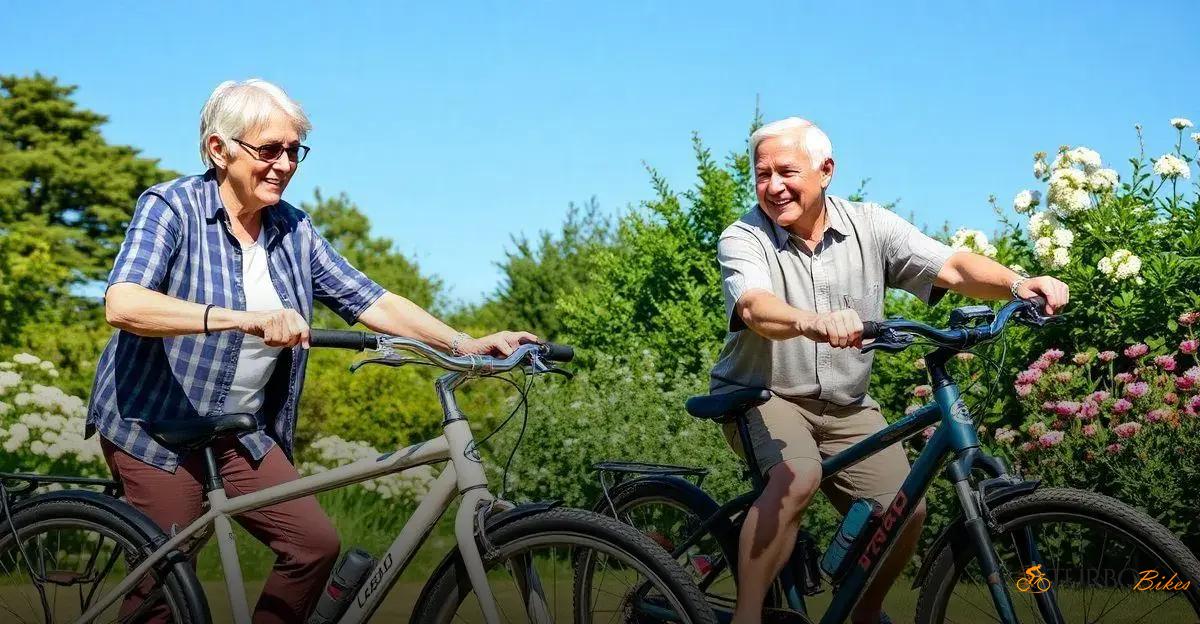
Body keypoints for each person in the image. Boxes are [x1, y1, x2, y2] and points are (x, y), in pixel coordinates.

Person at [86, 78, 536, 623]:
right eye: (268, 149)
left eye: (294, 151)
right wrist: (244, 320)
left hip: (238, 426)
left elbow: (371, 299)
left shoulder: (292, 228)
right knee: (169, 572)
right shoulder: (171, 208)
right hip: (152, 424)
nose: (284, 164)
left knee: (313, 545)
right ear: (218, 149)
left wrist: (466, 342)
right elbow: (124, 304)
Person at [712, 117, 1069, 624]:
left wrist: (1019, 284)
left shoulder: (871, 226)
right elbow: (753, 307)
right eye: (761, 173)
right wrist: (811, 322)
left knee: (905, 509)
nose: (773, 186)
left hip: (846, 405)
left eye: (786, 171)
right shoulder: (745, 237)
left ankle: (865, 613)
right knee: (797, 477)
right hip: (762, 396)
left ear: (826, 171)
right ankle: (745, 618)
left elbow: (952, 266)